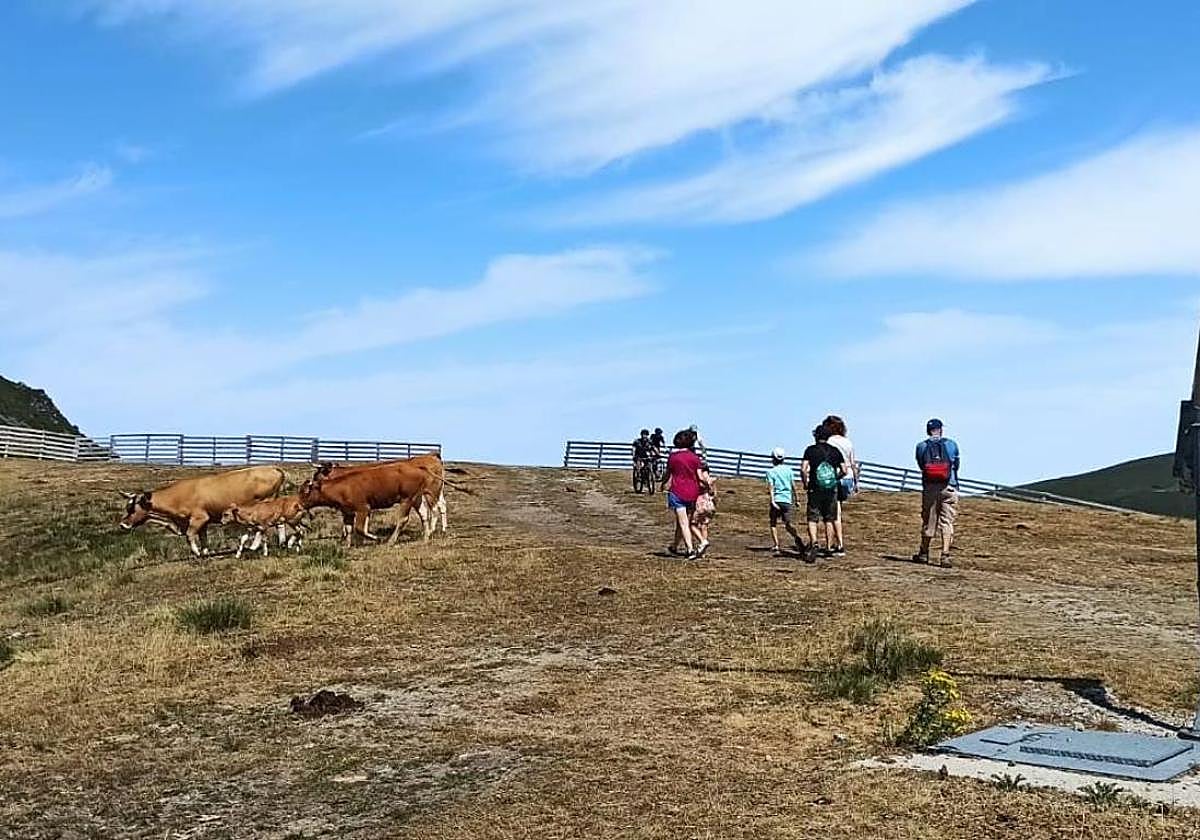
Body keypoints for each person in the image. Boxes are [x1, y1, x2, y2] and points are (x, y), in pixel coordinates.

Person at [913, 418, 960, 567]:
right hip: (949, 486)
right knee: (947, 522)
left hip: (930, 488)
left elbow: (922, 465)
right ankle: (945, 555)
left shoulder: (921, 446)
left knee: (929, 521)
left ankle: (924, 553)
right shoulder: (951, 444)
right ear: (941, 429)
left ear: (928, 431)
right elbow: (956, 465)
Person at [661, 428, 711, 558]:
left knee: (683, 523)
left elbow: (667, 474)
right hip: (692, 493)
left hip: (677, 492)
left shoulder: (673, 457)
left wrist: (662, 484)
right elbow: (700, 477)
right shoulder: (695, 458)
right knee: (683, 522)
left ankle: (690, 548)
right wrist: (707, 486)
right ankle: (674, 547)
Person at [801, 424, 845, 563]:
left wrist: (805, 483)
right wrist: (835, 479)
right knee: (829, 518)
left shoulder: (810, 450)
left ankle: (814, 542)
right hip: (831, 489)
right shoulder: (835, 451)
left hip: (815, 487)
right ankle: (829, 547)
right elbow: (844, 470)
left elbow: (803, 469)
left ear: (816, 436)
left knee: (812, 517)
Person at [823, 415, 859, 555]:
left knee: (833, 514)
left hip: (836, 476)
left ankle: (838, 545)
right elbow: (853, 463)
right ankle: (834, 543)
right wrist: (856, 482)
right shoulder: (848, 442)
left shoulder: (830, 441)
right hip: (848, 477)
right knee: (836, 510)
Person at [765, 447, 804, 555]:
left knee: (773, 523)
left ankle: (776, 545)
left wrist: (772, 500)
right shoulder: (789, 471)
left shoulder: (770, 472)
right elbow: (793, 486)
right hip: (787, 500)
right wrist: (797, 499)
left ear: (773, 459)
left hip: (777, 500)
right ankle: (796, 537)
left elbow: (771, 487)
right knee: (788, 524)